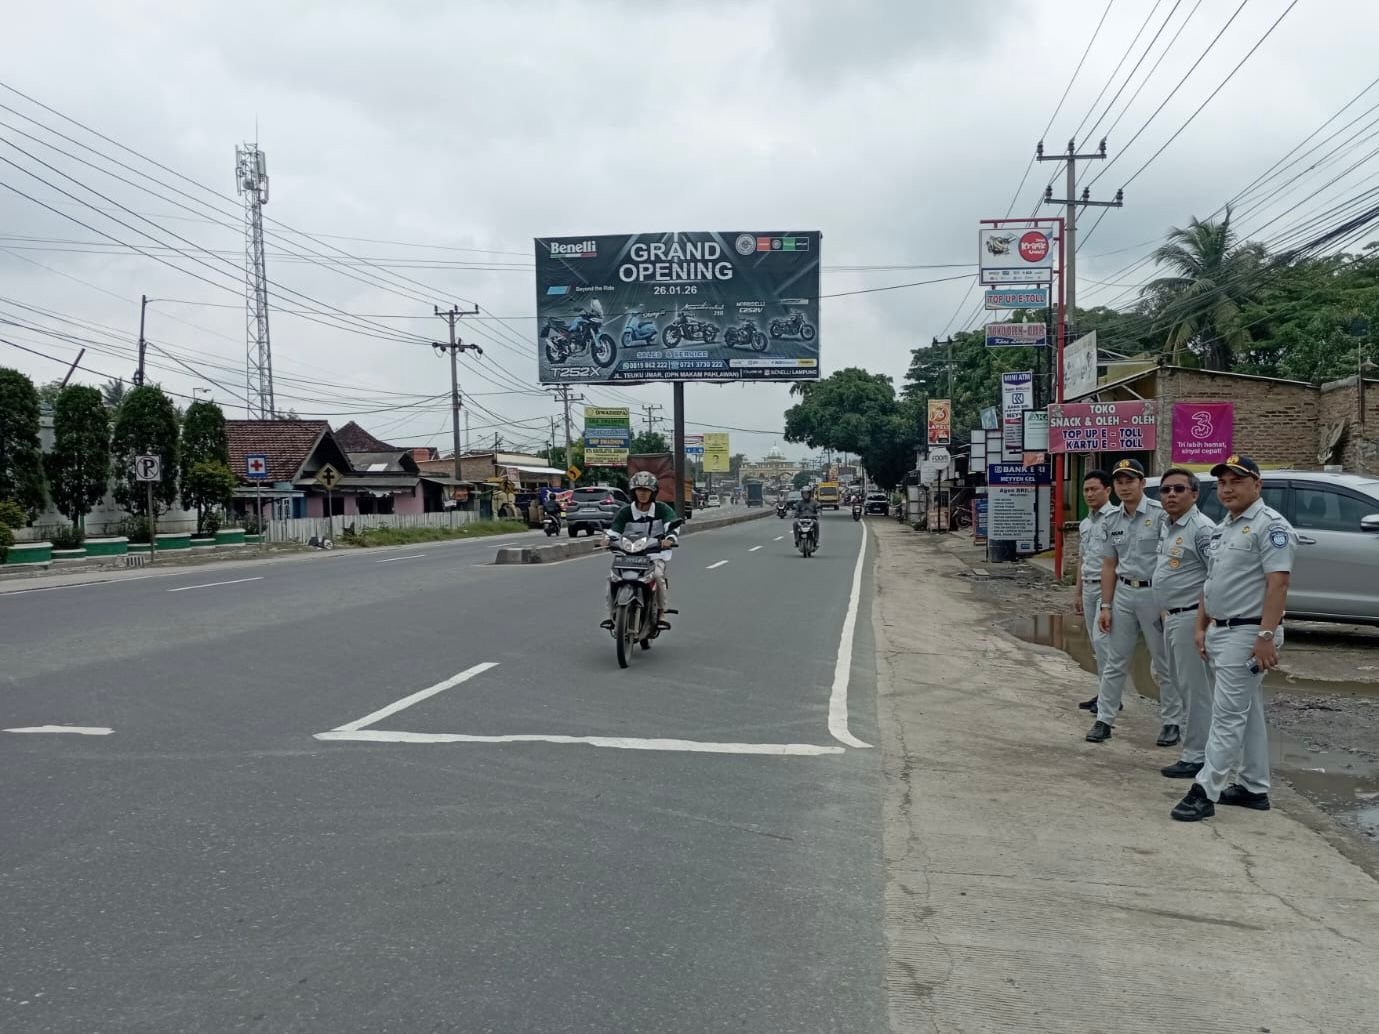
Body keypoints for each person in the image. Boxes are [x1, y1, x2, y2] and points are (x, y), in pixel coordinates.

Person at [1172, 456, 1296, 822]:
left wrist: (1266, 636)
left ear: (1256, 485)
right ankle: (1253, 786)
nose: (1227, 489)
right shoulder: (1225, 528)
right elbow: (1211, 584)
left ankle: (1204, 790)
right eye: (1223, 482)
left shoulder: (1270, 527)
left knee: (1226, 716)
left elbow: (1279, 583)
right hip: (1221, 629)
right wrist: (1201, 626)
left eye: (1236, 481)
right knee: (1247, 711)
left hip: (1249, 632)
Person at [1085, 458, 1178, 744]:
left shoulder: (1161, 515)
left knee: (1163, 661)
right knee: (1115, 659)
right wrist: (1106, 605)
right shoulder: (1112, 521)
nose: (1124, 487)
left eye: (1130, 481)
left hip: (1154, 594)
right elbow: (1109, 565)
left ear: (1142, 483)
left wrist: (1166, 603)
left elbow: (1170, 560)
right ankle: (1104, 719)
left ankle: (1172, 721)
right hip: (1124, 593)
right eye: (1120, 482)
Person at [1153, 467, 1218, 779]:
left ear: (1195, 494)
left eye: (1179, 489)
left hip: (1192, 615)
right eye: (1166, 490)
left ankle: (1196, 755)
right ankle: (1198, 751)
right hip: (1173, 616)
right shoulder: (1169, 526)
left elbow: (1216, 577)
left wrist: (1202, 625)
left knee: (1195, 691)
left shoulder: (1201, 529)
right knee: (1182, 685)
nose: (1171, 495)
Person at [601, 471, 680, 630]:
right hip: (628, 554)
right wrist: (607, 539)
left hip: (654, 554)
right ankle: (611, 615)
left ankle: (661, 613)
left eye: (646, 491)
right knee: (612, 578)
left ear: (653, 492)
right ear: (633, 492)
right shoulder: (626, 511)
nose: (642, 494)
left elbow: (671, 526)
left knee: (658, 576)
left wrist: (669, 539)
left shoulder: (662, 509)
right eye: (639, 490)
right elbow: (615, 529)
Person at [1074, 469, 1118, 711]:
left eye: (1094, 489)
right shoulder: (1085, 523)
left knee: (1104, 643)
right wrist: (1078, 593)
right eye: (1086, 490)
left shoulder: (1115, 519)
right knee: (1096, 644)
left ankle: (1111, 697)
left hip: (1106, 589)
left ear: (1108, 490)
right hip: (1088, 587)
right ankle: (1104, 692)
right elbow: (1083, 559)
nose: (1089, 494)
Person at [793, 484, 822, 548]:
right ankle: (796, 540)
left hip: (812, 519)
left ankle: (816, 540)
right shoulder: (799, 503)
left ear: (810, 494)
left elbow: (818, 508)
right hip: (801, 519)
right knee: (795, 523)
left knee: (816, 523)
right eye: (804, 493)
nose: (806, 495)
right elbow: (796, 510)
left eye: (807, 493)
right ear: (802, 494)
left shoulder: (814, 502)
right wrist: (795, 513)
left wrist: (819, 512)